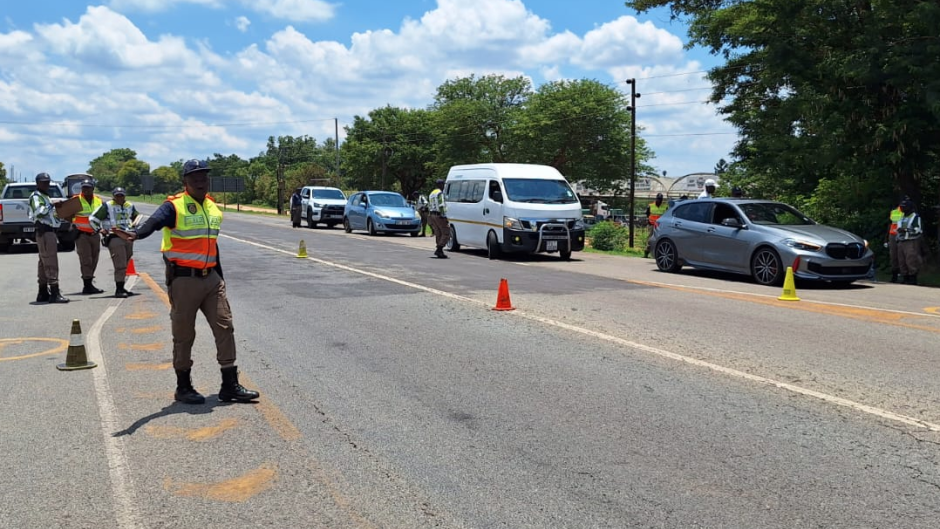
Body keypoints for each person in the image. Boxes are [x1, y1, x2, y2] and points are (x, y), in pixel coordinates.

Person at [131, 159, 259, 405]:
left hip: (211, 278)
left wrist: (219, 276)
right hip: (184, 280)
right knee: (184, 333)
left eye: (204, 177)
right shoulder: (174, 206)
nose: (201, 181)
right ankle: (183, 386)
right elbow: (153, 223)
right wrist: (136, 234)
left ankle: (229, 385)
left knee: (225, 327)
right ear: (185, 182)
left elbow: (211, 244)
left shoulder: (212, 207)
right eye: (195, 178)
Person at [89, 187, 140, 298]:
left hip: (127, 236)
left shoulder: (130, 206)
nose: (119, 197)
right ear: (113, 196)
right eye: (117, 195)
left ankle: (122, 286)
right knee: (120, 264)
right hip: (114, 237)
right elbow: (92, 219)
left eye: (121, 195)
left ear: (125, 195)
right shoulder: (107, 206)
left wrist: (136, 227)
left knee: (125, 262)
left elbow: (137, 217)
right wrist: (99, 229)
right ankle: (119, 289)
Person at [28, 172, 69, 303]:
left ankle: (43, 292)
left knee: (43, 262)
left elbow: (51, 215)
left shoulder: (45, 196)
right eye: (43, 182)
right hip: (44, 232)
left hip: (48, 231)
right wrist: (53, 205)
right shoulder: (36, 196)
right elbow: (39, 212)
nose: (46, 184)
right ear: (37, 183)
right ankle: (54, 292)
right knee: (51, 261)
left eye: (47, 182)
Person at [73, 179, 105, 294]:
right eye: (84, 188)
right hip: (82, 235)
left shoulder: (98, 201)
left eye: (88, 187)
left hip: (95, 234)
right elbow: (64, 214)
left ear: (93, 188)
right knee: (86, 260)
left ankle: (89, 281)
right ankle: (87, 285)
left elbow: (103, 216)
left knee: (94, 259)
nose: (85, 190)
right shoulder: (75, 200)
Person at [895, 198, 923, 285]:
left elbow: (918, 229)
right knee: (901, 260)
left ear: (909, 207)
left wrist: (906, 230)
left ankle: (913, 278)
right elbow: (897, 228)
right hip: (901, 241)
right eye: (901, 207)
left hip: (910, 241)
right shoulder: (901, 217)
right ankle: (905, 277)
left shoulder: (915, 217)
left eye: (904, 207)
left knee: (910, 260)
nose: (902, 208)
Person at [427, 179, 450, 258]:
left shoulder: (432, 193)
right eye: (443, 184)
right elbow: (441, 205)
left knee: (438, 232)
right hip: (439, 215)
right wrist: (443, 216)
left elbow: (429, 204)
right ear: (440, 185)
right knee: (446, 232)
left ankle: (439, 251)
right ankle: (439, 249)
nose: (444, 186)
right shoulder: (440, 193)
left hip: (432, 214)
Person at [885, 199, 905, 283]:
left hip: (901, 234)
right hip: (893, 234)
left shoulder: (907, 212)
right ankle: (895, 275)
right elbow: (890, 224)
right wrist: (886, 239)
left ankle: (903, 275)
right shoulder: (894, 211)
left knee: (901, 256)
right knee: (893, 256)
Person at [644, 192, 668, 258]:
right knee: (650, 239)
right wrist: (648, 221)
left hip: (661, 225)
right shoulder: (650, 205)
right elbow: (647, 214)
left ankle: (658, 253)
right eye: (658, 199)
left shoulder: (665, 206)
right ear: (656, 199)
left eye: (661, 199)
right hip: (652, 224)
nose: (659, 201)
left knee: (661, 239)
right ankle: (646, 252)